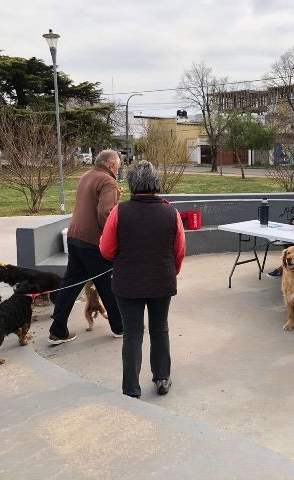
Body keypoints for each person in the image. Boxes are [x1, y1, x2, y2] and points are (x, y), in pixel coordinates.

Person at [100, 161, 185, 398]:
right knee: (160, 330)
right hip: (161, 281)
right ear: (156, 183)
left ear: (132, 184)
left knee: (132, 334)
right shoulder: (171, 212)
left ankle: (131, 388)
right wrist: (170, 272)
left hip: (127, 283)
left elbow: (106, 250)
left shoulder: (119, 212)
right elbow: (179, 251)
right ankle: (162, 377)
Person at [48, 149, 124, 344]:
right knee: (108, 286)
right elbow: (105, 213)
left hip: (74, 238)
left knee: (70, 285)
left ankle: (58, 329)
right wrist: (116, 240)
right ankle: (120, 327)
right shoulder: (108, 181)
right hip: (93, 243)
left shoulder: (87, 176)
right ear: (111, 165)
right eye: (118, 166)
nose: (119, 170)